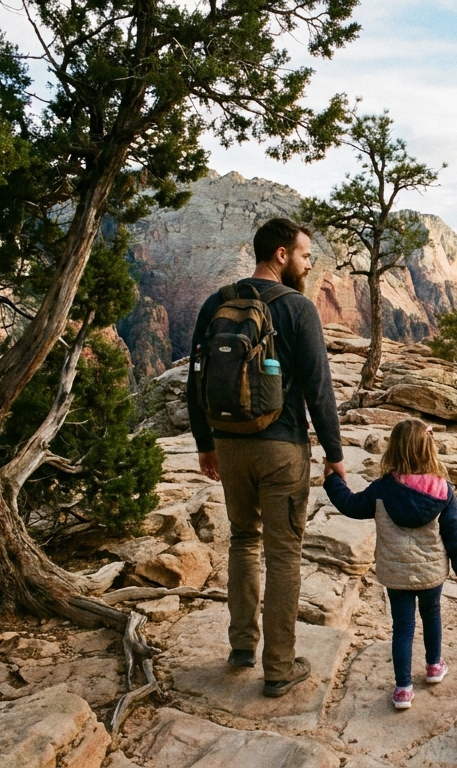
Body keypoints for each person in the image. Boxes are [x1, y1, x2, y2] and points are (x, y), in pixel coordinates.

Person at [187, 217, 347, 698]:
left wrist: (205, 443)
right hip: (281, 448)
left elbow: (197, 377)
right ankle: (279, 667)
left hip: (229, 444)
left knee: (242, 539)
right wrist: (335, 454)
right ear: (281, 254)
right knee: (283, 554)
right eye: (304, 255)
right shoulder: (298, 307)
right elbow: (319, 388)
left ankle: (241, 647)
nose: (307, 264)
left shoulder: (217, 303)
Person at [323, 418, 457, 710]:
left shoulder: (382, 489)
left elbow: (351, 505)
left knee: (402, 627)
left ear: (394, 449)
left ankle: (403, 689)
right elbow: (455, 530)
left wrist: (331, 479)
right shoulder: (442, 489)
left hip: (396, 573)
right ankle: (433, 666)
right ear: (429, 449)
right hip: (431, 573)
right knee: (431, 615)